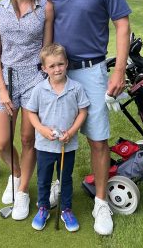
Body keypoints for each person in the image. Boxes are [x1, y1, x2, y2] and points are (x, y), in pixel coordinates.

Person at [43, 0, 131, 236]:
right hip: (58, 73)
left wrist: (119, 68)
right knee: (55, 137)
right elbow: (34, 19)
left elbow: (122, 24)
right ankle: (54, 188)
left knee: (97, 139)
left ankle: (101, 203)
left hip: (93, 70)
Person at [0, 0, 54, 221]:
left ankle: (24, 192)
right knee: (3, 142)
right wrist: (2, 88)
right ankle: (15, 176)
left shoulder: (45, 8)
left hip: (34, 80)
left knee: (28, 139)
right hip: (5, 78)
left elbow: (47, 49)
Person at [24, 43, 89, 232]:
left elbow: (83, 111)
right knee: (43, 179)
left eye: (60, 64)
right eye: (51, 66)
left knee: (65, 179)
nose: (57, 69)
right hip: (44, 145)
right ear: (44, 68)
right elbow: (31, 112)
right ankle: (43, 207)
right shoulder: (39, 89)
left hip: (66, 146)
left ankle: (66, 209)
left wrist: (72, 131)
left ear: (66, 63)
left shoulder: (76, 88)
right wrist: (41, 129)